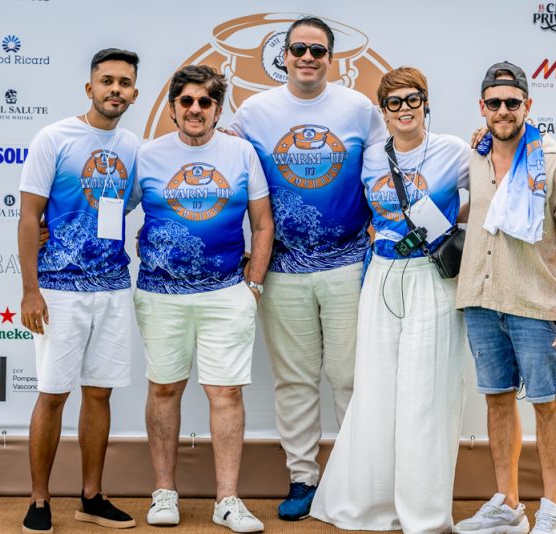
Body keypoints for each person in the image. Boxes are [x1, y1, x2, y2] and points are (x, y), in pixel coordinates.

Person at [226, 15, 387, 520]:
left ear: (331, 58)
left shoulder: (359, 109)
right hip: (281, 267)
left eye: (318, 51)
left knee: (349, 377)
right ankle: (304, 478)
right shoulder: (254, 112)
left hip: (347, 263)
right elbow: (224, 170)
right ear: (284, 55)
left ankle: (355, 480)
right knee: (294, 380)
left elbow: (392, 171)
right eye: (299, 49)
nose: (308, 59)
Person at [310, 66, 471, 534]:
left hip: (432, 277)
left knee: (428, 394)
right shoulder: (371, 158)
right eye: (394, 102)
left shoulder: (455, 152)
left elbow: (489, 196)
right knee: (377, 391)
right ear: (384, 111)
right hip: (380, 274)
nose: (404, 109)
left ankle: (423, 516)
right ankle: (370, 505)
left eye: (412, 99)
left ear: (426, 102)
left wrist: (446, 220)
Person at [454, 62, 556, 534]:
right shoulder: (474, 155)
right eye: (494, 103)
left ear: (528, 106)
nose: (502, 111)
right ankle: (508, 505)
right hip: (481, 299)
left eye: (511, 103)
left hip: (536, 306)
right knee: (498, 401)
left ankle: (552, 510)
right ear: (482, 107)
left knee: (546, 403)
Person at [134, 65, 273, 533]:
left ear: (218, 109)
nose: (195, 109)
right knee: (164, 388)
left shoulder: (240, 153)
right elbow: (109, 210)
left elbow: (262, 223)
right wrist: (54, 227)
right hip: (160, 293)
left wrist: (253, 284)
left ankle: (228, 501)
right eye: (187, 101)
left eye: (205, 102)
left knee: (226, 392)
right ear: (173, 107)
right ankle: (163, 494)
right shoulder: (147, 155)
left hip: (226, 292)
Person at [17, 48, 141, 533]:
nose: (115, 89)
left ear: (134, 93)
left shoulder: (133, 146)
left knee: (99, 394)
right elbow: (30, 216)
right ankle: (40, 500)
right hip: (59, 289)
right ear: (89, 88)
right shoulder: (54, 138)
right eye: (106, 81)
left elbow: (127, 205)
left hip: (111, 286)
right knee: (51, 394)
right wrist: (31, 290)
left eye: (124, 83)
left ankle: (91, 497)